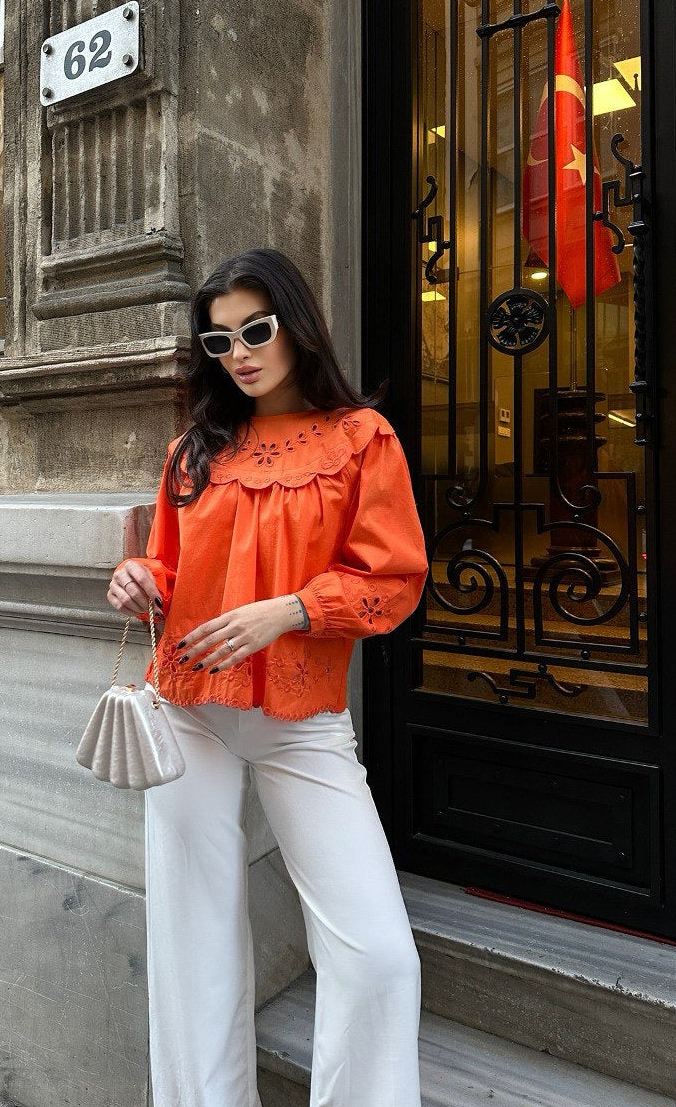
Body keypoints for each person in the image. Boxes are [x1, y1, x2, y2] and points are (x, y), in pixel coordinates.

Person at [108, 247, 429, 1107]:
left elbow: (392, 579)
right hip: (185, 710)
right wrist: (139, 579)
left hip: (301, 715)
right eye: (219, 341)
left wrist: (289, 610)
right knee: (194, 939)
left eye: (257, 329)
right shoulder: (194, 449)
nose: (241, 352)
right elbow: (170, 573)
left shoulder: (363, 439)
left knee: (377, 953)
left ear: (296, 324)